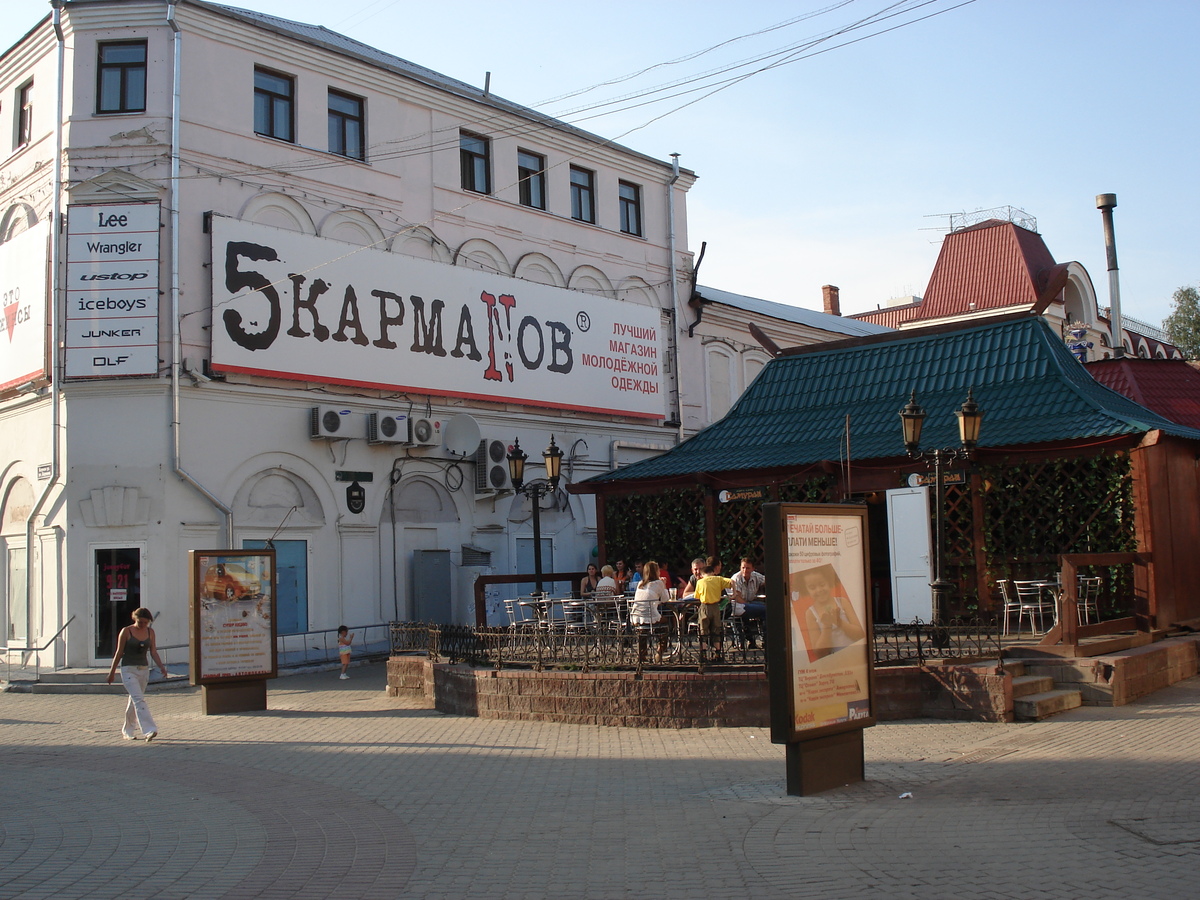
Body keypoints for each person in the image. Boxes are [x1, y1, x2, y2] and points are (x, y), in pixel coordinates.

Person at [105, 607, 168, 742]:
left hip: (143, 670)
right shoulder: (126, 631)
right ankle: (150, 730)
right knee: (139, 700)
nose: (143, 625)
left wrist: (162, 667)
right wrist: (112, 672)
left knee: (134, 701)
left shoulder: (150, 632)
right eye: (140, 622)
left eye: (145, 623)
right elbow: (119, 652)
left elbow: (153, 651)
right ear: (134, 618)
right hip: (129, 669)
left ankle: (127, 731)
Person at [798, 566, 865, 659]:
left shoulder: (842, 602)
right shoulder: (810, 613)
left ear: (829, 583)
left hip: (855, 656)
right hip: (834, 663)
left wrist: (839, 622)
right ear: (806, 590)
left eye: (822, 584)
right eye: (812, 587)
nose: (819, 590)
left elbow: (860, 634)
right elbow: (819, 653)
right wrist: (827, 626)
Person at [629, 560, 671, 662]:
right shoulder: (659, 583)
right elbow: (665, 599)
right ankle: (660, 651)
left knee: (643, 629)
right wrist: (664, 585)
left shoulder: (640, 584)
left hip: (636, 616)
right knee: (666, 623)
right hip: (650, 617)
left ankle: (642, 653)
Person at [693, 559, 735, 657]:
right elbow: (732, 581)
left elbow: (696, 596)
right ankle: (718, 653)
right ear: (712, 573)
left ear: (703, 574)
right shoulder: (718, 579)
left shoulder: (700, 582)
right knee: (716, 629)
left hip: (705, 607)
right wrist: (734, 593)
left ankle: (703, 653)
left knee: (703, 631)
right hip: (716, 607)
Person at [731, 558, 767, 648]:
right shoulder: (736, 578)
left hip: (749, 602)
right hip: (738, 605)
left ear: (752, 569)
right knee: (765, 610)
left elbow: (768, 581)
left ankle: (764, 638)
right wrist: (749, 605)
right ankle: (766, 638)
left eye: (747, 568)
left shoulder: (755, 576)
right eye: (743, 567)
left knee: (768, 608)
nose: (745, 570)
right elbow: (736, 597)